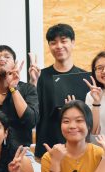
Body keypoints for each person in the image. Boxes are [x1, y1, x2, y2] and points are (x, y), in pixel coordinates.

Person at [32, 23, 87, 159]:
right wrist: (33, 83)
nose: (59, 46)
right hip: (46, 149)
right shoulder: (40, 76)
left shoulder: (85, 77)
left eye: (63, 41)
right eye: (53, 43)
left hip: (78, 151)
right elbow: (33, 113)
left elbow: (90, 117)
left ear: (73, 43)